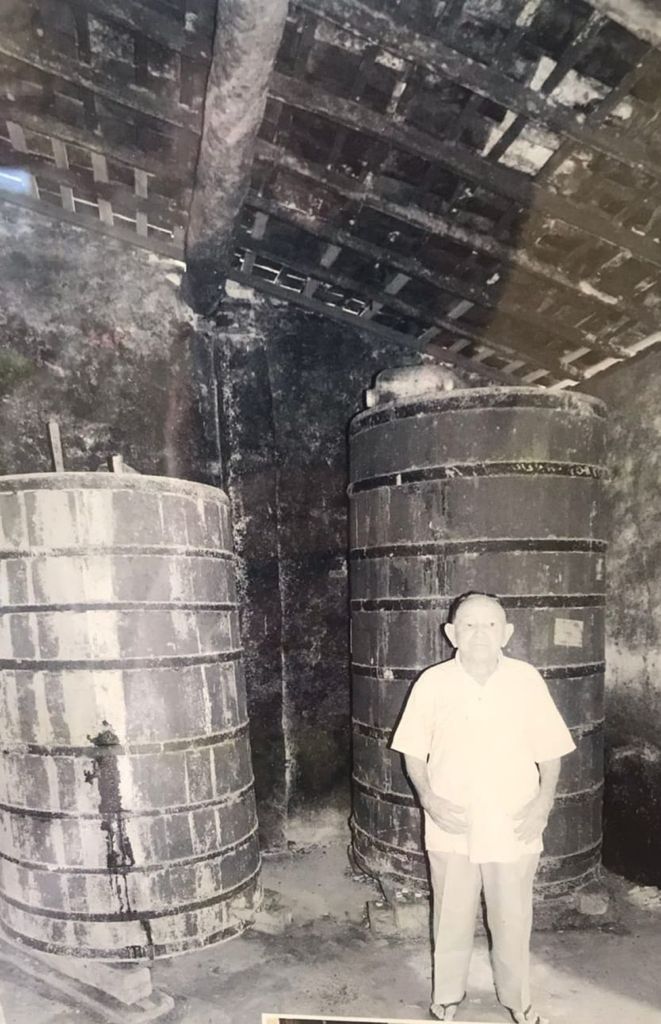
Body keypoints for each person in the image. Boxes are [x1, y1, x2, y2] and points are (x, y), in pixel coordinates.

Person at [390, 591, 576, 1024]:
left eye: (490, 624)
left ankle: (518, 999)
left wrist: (543, 804)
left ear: (506, 633)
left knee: (513, 916)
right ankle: (446, 996)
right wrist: (428, 799)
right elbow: (412, 751)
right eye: (469, 624)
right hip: (451, 819)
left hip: (514, 820)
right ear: (451, 633)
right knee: (450, 914)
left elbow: (551, 751)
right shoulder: (432, 683)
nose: (479, 633)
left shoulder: (526, 680)